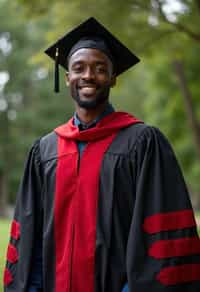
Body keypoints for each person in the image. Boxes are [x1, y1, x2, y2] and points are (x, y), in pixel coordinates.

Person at [3, 17, 200, 292]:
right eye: (79, 68)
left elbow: (161, 239)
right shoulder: (44, 151)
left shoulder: (142, 144)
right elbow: (28, 241)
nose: (88, 76)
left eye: (99, 68)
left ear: (113, 77)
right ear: (68, 76)